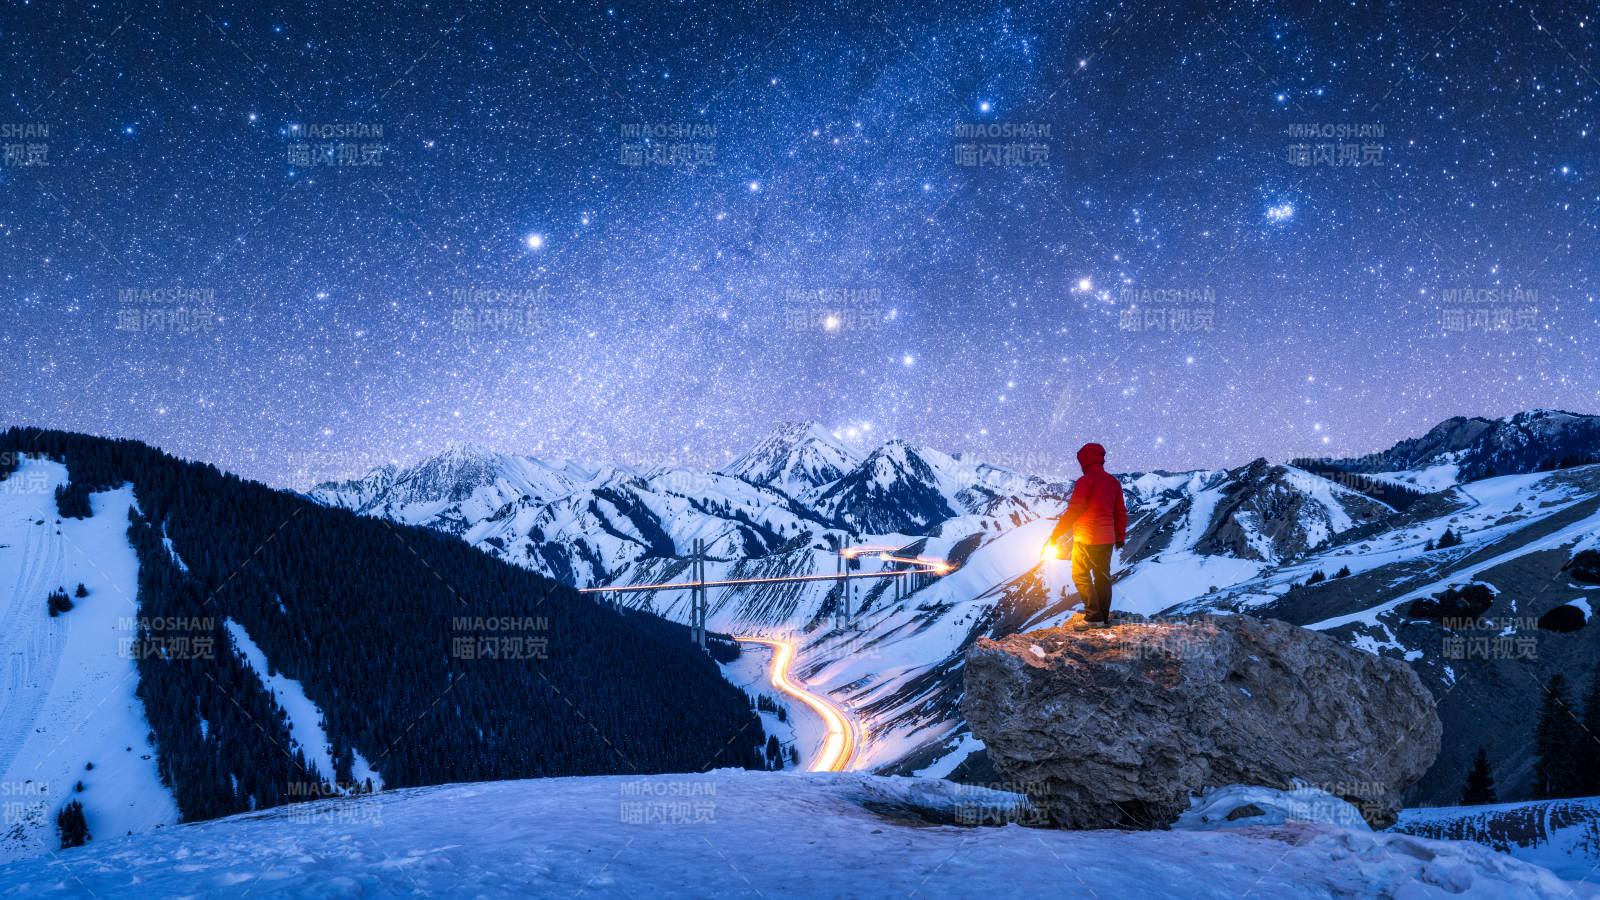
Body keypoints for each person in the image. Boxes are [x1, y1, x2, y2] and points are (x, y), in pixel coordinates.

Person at [1045, 442, 1127, 630]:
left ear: (1084, 460)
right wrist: (1120, 537)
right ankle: (1103, 617)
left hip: (1086, 538)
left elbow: (1074, 510)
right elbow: (1120, 512)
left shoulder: (1085, 481)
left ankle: (1093, 617)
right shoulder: (1114, 482)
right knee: (1102, 577)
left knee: (1080, 575)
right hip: (1106, 539)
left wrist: (1056, 534)